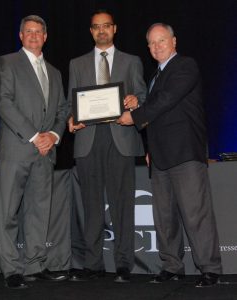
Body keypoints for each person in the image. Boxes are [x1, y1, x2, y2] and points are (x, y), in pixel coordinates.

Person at [117, 23, 222, 287]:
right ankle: (172, 266)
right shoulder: (155, 76)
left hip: (185, 153)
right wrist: (149, 142)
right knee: (164, 218)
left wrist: (136, 115)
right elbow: (159, 114)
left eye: (161, 41)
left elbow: (167, 100)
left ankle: (210, 268)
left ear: (174, 41)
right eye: (151, 43)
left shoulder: (185, 65)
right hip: (161, 156)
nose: (156, 47)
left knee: (196, 214)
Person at [67, 9, 146, 283]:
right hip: (88, 139)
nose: (101, 31)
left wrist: (136, 101)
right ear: (91, 31)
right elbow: (71, 103)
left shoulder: (131, 61)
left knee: (122, 204)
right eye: (96, 27)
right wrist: (71, 118)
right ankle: (93, 264)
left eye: (106, 26)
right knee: (91, 205)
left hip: (120, 138)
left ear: (115, 29)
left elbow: (142, 95)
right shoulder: (76, 64)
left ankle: (124, 263)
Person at [0, 15, 68, 289]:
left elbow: (62, 111)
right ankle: (11, 269)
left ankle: (35, 265)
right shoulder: (7, 63)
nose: (34, 36)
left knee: (39, 211)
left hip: (45, 152)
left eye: (39, 32)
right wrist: (36, 136)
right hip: (17, 149)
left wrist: (54, 136)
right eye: (29, 31)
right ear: (20, 36)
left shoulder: (55, 72)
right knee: (9, 213)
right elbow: (4, 103)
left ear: (45, 37)